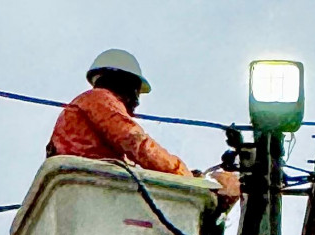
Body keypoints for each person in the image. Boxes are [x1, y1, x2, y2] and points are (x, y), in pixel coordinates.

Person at [48, 50, 240, 208]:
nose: (137, 102)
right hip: (94, 190)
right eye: (136, 92)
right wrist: (185, 176)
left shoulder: (82, 109)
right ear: (123, 82)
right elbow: (137, 143)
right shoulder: (99, 100)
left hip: (91, 187)